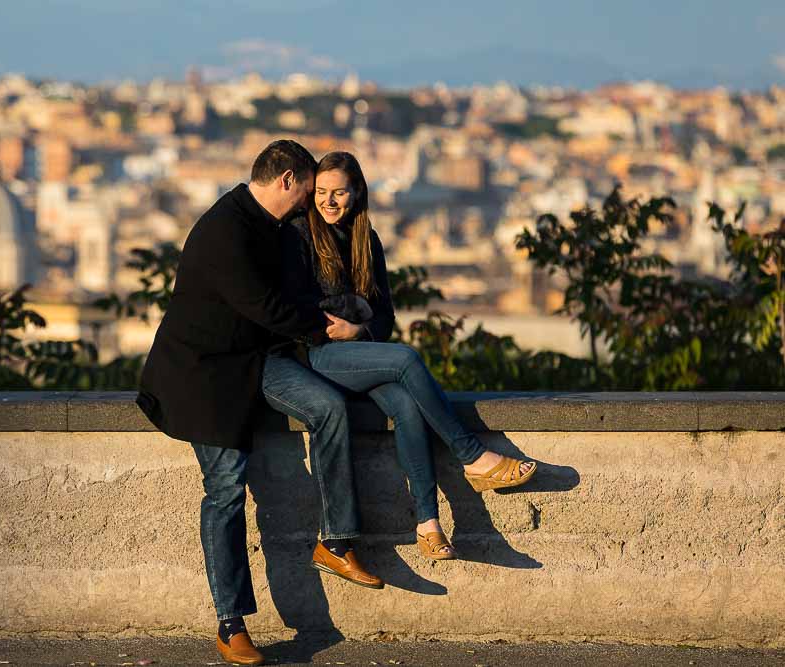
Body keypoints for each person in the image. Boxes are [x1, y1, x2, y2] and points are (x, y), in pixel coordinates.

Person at [136, 141, 382, 667]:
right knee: (226, 489)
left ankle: (336, 540)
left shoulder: (271, 227)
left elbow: (288, 297)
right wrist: (326, 330)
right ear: (288, 180)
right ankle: (231, 624)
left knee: (329, 407)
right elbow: (263, 305)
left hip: (254, 360)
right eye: (308, 191)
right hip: (202, 376)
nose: (311, 202)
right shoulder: (226, 229)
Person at [280, 151, 536, 561]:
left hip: (359, 353)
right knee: (405, 360)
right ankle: (472, 456)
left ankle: (428, 524)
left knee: (405, 404)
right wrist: (352, 313)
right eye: (322, 193)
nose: (329, 201)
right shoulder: (300, 235)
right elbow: (306, 307)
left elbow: (384, 317)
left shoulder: (368, 240)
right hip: (316, 356)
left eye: (339, 192)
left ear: (357, 192)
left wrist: (359, 325)